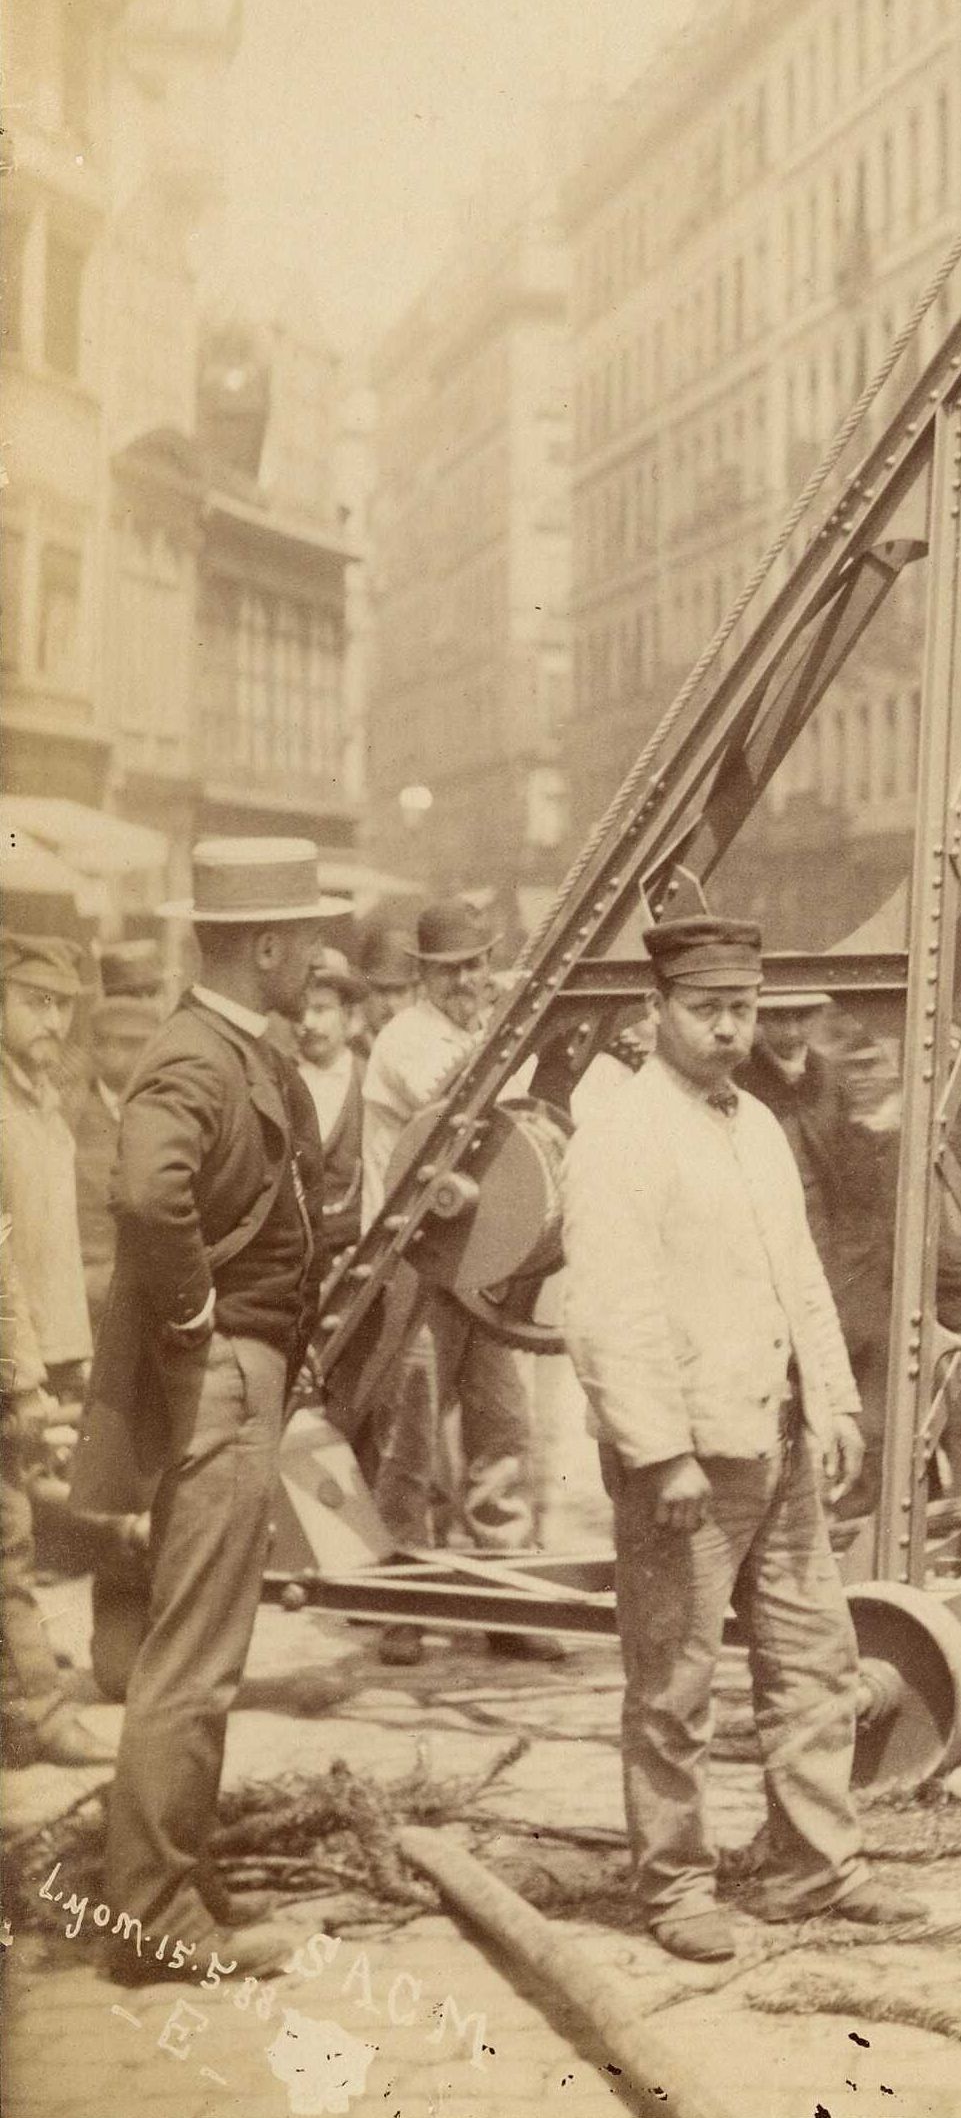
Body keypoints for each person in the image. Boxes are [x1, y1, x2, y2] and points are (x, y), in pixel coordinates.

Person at [560, 916, 925, 1965]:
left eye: (744, 1010)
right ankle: (675, 1886)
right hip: (687, 1462)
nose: (729, 1030)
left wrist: (836, 1401)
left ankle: (816, 1867)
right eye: (708, 1010)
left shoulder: (756, 1125)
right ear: (654, 1012)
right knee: (673, 1683)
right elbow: (607, 1312)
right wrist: (659, 1452)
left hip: (781, 1438)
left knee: (813, 1661)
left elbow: (797, 1275)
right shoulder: (623, 1135)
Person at [69, 839, 346, 1982]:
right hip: (223, 1373)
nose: (322, 955)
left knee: (199, 1650)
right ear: (268, 945)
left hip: (241, 1367)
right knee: (195, 1657)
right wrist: (192, 1322)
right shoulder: (196, 1058)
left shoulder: (241, 1049)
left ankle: (165, 1875)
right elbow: (146, 1191)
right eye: (311, 937)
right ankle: (154, 1914)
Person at [361, 896, 550, 1662]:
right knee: (411, 1436)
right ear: (425, 975)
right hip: (413, 1262)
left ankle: (506, 1600)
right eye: (452, 970)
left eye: (477, 964)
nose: (469, 980)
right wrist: (504, 1022)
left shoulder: (489, 1034)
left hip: (481, 1262)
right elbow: (452, 1099)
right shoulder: (405, 1039)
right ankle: (404, 1604)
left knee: (501, 1430)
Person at [0, 933, 117, 1768]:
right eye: (34, 1001)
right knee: (8, 1540)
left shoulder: (38, 1098)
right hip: (10, 1360)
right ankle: (35, 1715)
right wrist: (24, 1377)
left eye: (62, 1005)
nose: (52, 1020)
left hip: (38, 1350)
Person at [737, 987, 890, 1492]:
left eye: (802, 1017)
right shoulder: (740, 1078)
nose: (790, 1031)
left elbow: (851, 1174)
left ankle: (845, 1496)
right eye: (777, 1018)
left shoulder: (828, 1079)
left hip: (829, 1249)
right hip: (765, 1246)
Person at [70, 942, 168, 1338]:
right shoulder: (69, 1104)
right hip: (87, 1291)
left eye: (150, 995)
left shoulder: (171, 1099)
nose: (143, 1008)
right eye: (129, 997)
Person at [295, 950, 365, 1261]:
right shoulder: (275, 1082)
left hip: (353, 1253)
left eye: (321, 1009)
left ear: (348, 1015)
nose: (308, 1023)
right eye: (301, 1011)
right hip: (292, 1259)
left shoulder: (370, 1081)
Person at [353, 925, 419, 1057]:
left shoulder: (432, 1054)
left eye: (400, 992)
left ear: (416, 994)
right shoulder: (347, 1057)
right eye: (381, 991)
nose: (390, 1004)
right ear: (362, 993)